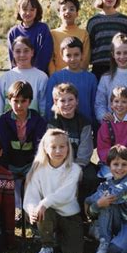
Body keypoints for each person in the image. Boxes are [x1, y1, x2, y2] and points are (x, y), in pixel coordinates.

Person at [24, 129, 84, 253]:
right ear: (45, 148)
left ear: (68, 148)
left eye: (62, 146)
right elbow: (31, 195)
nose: (58, 151)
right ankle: (47, 244)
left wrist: (45, 202)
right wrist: (32, 209)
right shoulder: (38, 169)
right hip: (47, 212)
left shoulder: (75, 169)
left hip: (69, 215)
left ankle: (60, 236)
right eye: (53, 147)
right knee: (43, 210)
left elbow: (66, 194)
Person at [85, 145, 127, 253]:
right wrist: (96, 205)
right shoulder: (105, 185)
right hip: (118, 221)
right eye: (115, 164)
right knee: (105, 204)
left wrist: (91, 202)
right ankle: (104, 241)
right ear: (109, 166)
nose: (119, 168)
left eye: (124, 164)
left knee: (115, 251)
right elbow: (92, 210)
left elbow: (112, 194)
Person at [0, 81, 46, 218]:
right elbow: (2, 147)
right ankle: (10, 212)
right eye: (15, 101)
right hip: (10, 163)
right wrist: (5, 169)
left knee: (36, 181)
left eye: (23, 101)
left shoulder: (38, 120)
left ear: (30, 101)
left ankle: (32, 212)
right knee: (7, 183)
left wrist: (35, 168)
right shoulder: (4, 120)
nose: (19, 105)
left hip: (30, 163)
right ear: (9, 100)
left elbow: (40, 147)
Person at [48, 83, 98, 214]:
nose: (67, 104)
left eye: (70, 99)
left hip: (79, 163)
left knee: (91, 177)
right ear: (55, 102)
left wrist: (76, 168)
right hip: (58, 163)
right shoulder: (53, 121)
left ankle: (86, 212)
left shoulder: (84, 121)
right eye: (62, 100)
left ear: (77, 101)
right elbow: (51, 148)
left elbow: (85, 150)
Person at [0, 36, 48, 130]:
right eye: (18, 51)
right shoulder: (5, 77)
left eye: (26, 51)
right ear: (13, 53)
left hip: (32, 131)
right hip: (8, 129)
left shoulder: (41, 77)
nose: (22, 55)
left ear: (32, 52)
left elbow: (43, 110)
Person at [45, 37, 97, 124]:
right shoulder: (55, 77)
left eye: (76, 55)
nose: (73, 59)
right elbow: (49, 105)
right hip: (61, 126)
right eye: (68, 55)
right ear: (62, 56)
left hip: (85, 127)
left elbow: (94, 105)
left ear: (82, 54)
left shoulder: (91, 78)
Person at [87, 0, 127, 81]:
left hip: (120, 65)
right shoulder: (93, 22)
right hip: (99, 66)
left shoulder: (124, 21)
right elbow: (90, 46)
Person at [97, 87, 127, 179]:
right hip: (109, 162)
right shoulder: (106, 124)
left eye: (124, 102)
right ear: (111, 104)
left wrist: (123, 162)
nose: (119, 105)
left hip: (126, 162)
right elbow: (102, 145)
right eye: (116, 101)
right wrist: (114, 161)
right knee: (110, 176)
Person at [8, 0, 53, 74]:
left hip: (39, 74)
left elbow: (45, 54)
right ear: (19, 10)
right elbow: (12, 57)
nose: (28, 13)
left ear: (37, 11)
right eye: (25, 9)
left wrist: (33, 73)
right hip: (19, 74)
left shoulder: (43, 29)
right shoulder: (13, 32)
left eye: (32, 10)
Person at [49, 0, 90, 75]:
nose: (67, 12)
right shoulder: (52, 34)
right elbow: (50, 59)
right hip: (58, 79)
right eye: (64, 9)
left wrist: (78, 75)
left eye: (71, 9)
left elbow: (85, 59)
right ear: (59, 13)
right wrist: (54, 76)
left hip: (78, 77)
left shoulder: (83, 34)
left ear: (77, 13)